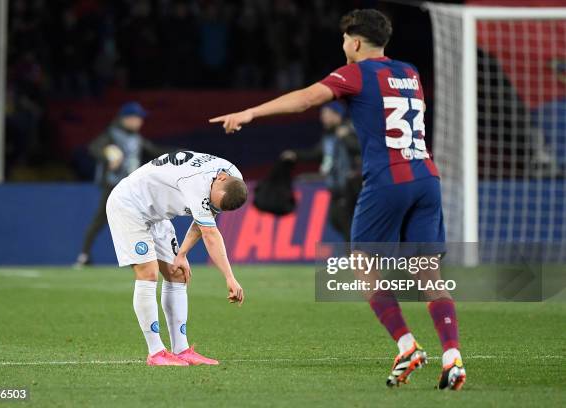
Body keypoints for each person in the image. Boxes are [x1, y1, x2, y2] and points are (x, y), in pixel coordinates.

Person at [209, 9, 465, 390]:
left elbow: (306, 99)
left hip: (387, 180)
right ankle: (452, 356)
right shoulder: (410, 73)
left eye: (345, 39)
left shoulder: (355, 72)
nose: (343, 45)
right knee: (428, 273)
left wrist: (250, 112)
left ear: (356, 41)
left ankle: (407, 345)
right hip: (426, 177)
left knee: (363, 264)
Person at [106, 150, 247, 366]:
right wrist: (230, 277)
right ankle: (156, 353)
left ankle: (181, 350)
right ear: (221, 178)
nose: (211, 204)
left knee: (177, 273)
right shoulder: (196, 182)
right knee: (148, 272)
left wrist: (181, 254)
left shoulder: (230, 177)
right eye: (212, 200)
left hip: (156, 214)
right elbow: (210, 233)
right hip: (129, 205)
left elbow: (205, 218)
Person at [75, 102, 169, 267]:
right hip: (114, 187)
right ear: (127, 119)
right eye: (137, 118)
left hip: (133, 187)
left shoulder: (137, 138)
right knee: (101, 219)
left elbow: (154, 151)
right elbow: (94, 147)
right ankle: (84, 256)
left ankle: (148, 256)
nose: (140, 121)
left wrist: (179, 154)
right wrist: (108, 156)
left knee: (145, 219)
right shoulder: (112, 134)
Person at [281, 101, 361, 241]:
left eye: (326, 114)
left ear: (337, 115)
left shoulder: (350, 130)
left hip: (351, 188)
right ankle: (357, 256)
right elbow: (316, 154)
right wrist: (295, 154)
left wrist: (346, 137)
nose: (322, 117)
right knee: (336, 221)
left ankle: (358, 258)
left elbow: (360, 150)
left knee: (348, 225)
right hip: (336, 189)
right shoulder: (328, 137)